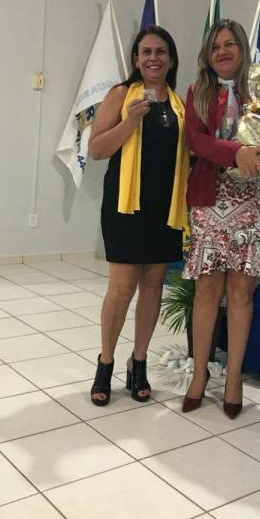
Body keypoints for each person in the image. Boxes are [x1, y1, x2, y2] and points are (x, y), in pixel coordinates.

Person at [182, 19, 260, 418]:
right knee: (207, 290)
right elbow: (195, 140)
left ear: (242, 49)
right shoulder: (198, 92)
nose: (222, 51)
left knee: (240, 292)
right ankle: (199, 374)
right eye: (215, 46)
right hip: (210, 199)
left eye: (229, 44)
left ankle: (233, 378)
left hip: (254, 203)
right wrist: (234, 152)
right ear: (207, 54)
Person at [88, 25, 189, 406]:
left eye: (161, 51)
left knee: (153, 286)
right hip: (125, 207)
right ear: (135, 59)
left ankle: (139, 361)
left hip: (165, 208)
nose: (153, 58)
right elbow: (97, 149)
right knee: (121, 288)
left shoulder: (180, 105)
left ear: (171, 60)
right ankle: (105, 362)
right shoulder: (120, 94)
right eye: (146, 51)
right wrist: (129, 122)